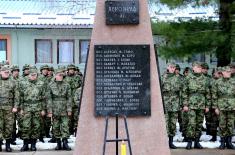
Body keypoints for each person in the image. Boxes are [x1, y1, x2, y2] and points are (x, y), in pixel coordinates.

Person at [182, 62, 211, 149]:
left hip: (201, 104)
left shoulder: (205, 79)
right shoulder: (188, 78)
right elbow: (184, 92)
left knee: (199, 124)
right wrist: (185, 104)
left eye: (200, 67)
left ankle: (197, 142)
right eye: (197, 67)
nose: (199, 68)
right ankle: (190, 141)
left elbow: (208, 93)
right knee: (191, 123)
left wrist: (207, 105)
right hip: (191, 104)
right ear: (193, 68)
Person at [16, 68, 46, 151]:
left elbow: (44, 97)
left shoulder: (41, 83)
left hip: (37, 107)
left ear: (37, 75)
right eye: (32, 75)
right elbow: (20, 97)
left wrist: (43, 109)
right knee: (26, 126)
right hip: (26, 107)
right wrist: (21, 108)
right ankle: (25, 144)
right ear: (28, 75)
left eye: (35, 75)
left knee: (36, 126)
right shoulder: (23, 83)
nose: (33, 76)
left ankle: (33, 144)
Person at [47, 68, 72, 151]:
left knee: (65, 126)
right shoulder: (50, 85)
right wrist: (50, 111)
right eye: (59, 75)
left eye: (62, 75)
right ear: (55, 75)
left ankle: (65, 142)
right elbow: (49, 99)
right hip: (55, 109)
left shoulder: (67, 85)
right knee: (56, 126)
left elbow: (69, 98)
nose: (61, 76)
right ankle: (58, 143)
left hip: (64, 108)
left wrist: (69, 109)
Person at [212, 66, 235, 149]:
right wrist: (215, 107)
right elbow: (214, 96)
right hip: (221, 106)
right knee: (222, 125)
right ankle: (222, 142)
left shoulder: (233, 81)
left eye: (229, 72)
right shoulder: (217, 82)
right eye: (227, 72)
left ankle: (229, 142)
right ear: (223, 73)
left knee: (230, 124)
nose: (229, 73)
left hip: (232, 106)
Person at [161, 63, 182, 149]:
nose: (173, 69)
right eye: (171, 67)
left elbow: (181, 91)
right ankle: (164, 143)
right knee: (165, 123)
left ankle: (171, 142)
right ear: (168, 67)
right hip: (165, 102)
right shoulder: (163, 77)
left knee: (173, 123)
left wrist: (180, 103)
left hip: (175, 103)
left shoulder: (178, 78)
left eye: (174, 68)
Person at [0, 66, 20, 152]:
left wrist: (15, 107)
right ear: (0, 72)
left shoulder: (13, 82)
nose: (6, 73)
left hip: (9, 108)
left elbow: (17, 96)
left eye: (7, 72)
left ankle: (8, 145)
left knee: (9, 127)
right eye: (4, 72)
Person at [65, 64, 82, 136]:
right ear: (68, 70)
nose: (71, 70)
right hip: (67, 100)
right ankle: (69, 131)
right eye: (70, 69)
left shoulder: (78, 77)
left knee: (76, 116)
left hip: (76, 100)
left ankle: (76, 131)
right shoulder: (65, 78)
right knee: (68, 117)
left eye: (73, 69)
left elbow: (81, 87)